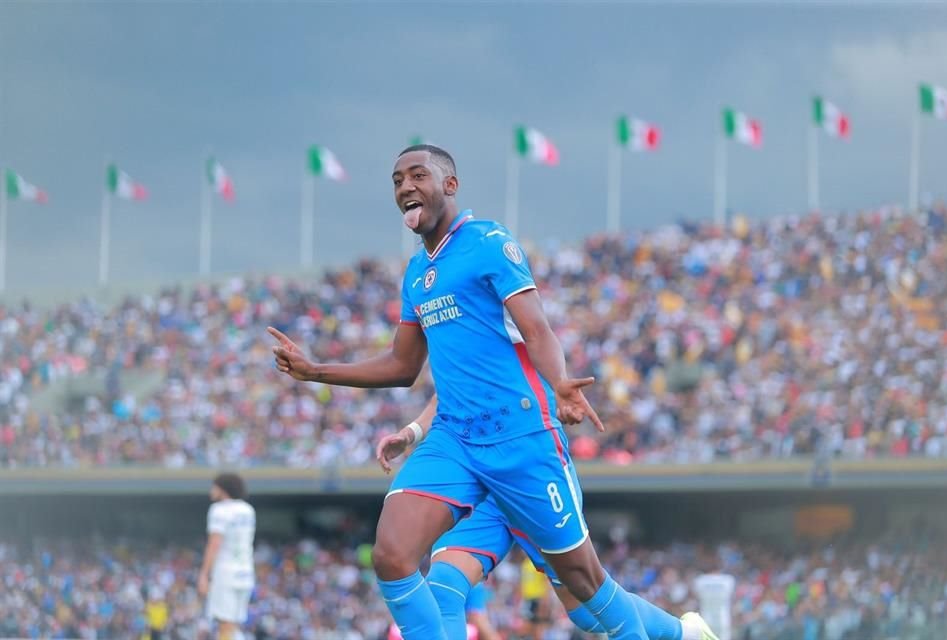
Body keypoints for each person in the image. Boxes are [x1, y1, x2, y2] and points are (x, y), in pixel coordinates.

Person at [269, 144, 693, 640]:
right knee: (395, 554)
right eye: (396, 179)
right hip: (458, 442)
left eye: (417, 175)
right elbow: (406, 366)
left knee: (584, 592)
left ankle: (681, 635)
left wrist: (560, 384)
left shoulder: (488, 243)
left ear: (450, 185)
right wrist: (317, 371)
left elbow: (537, 331)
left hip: (520, 439)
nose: (405, 186)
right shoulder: (417, 275)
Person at [376, 396, 719, 640]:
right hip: (479, 477)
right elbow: (450, 390)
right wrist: (412, 433)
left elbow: (538, 355)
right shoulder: (442, 309)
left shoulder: (509, 310)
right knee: (444, 586)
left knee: (586, 611)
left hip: (530, 473)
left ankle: (684, 632)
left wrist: (561, 389)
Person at [199, 473, 256, 640]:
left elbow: (214, 543)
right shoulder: (248, 510)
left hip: (225, 572)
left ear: (222, 488)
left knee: (224, 624)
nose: (211, 490)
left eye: (214, 486)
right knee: (234, 624)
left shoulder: (219, 510)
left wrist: (204, 574)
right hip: (245, 572)